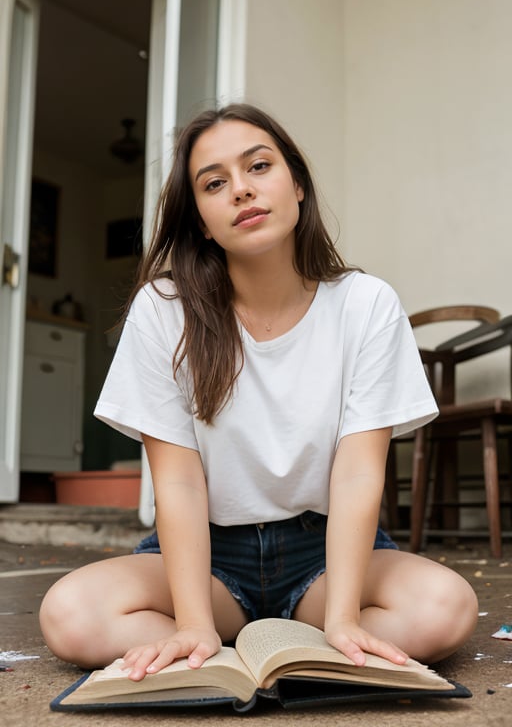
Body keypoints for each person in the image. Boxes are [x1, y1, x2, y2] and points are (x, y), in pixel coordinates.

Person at [39, 103, 478, 682]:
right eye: (215, 183)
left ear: (297, 184)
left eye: (259, 167)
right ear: (200, 218)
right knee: (70, 616)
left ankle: (288, 640)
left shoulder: (365, 304)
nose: (241, 191)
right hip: (211, 558)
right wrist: (193, 620)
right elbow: (177, 481)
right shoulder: (163, 312)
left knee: (446, 608)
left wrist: (345, 617)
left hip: (325, 557)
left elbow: (357, 475)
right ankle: (233, 645)